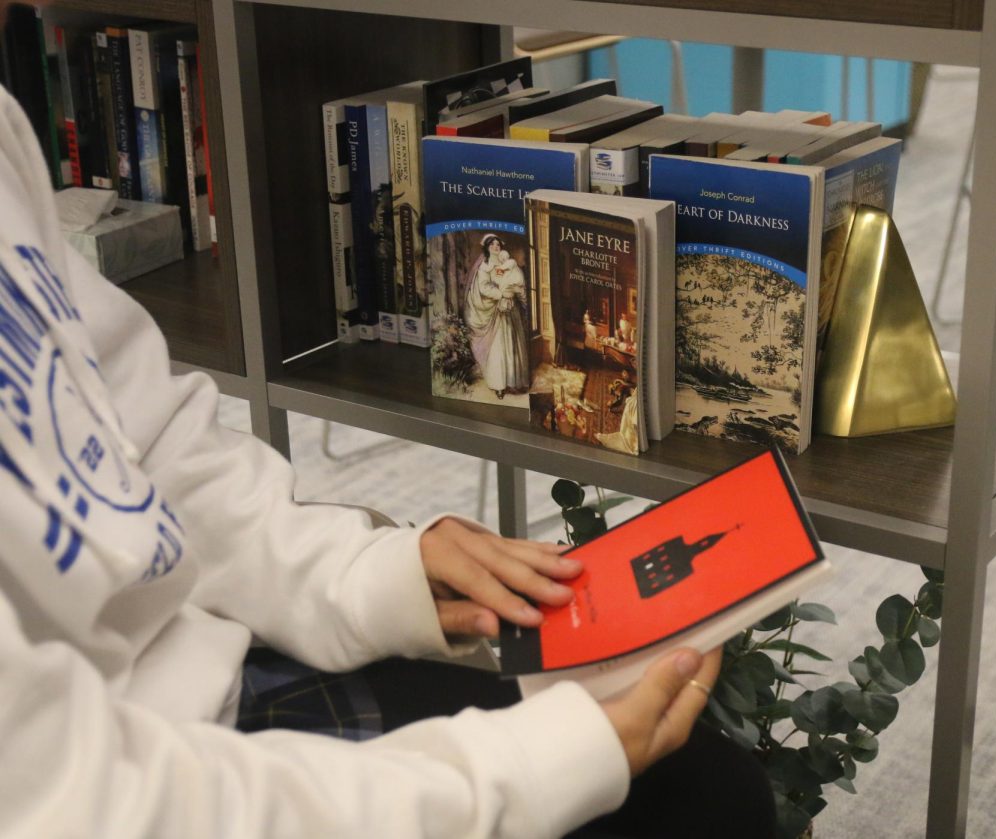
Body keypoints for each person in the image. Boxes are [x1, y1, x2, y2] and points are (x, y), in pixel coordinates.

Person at [0, 4, 775, 837]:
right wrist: (509, 778)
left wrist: (361, 574)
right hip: (142, 786)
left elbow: (142, 439)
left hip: (204, 684)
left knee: (707, 786)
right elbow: (73, 802)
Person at [464, 233, 530, 399]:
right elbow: (484, 287)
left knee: (513, 345)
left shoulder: (506, 262)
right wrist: (500, 295)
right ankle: (499, 385)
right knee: (499, 347)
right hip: (495, 311)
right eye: (492, 244)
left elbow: (516, 280)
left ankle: (513, 381)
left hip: (510, 309)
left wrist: (514, 291)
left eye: (498, 244)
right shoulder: (485, 266)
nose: (496, 247)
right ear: (486, 247)